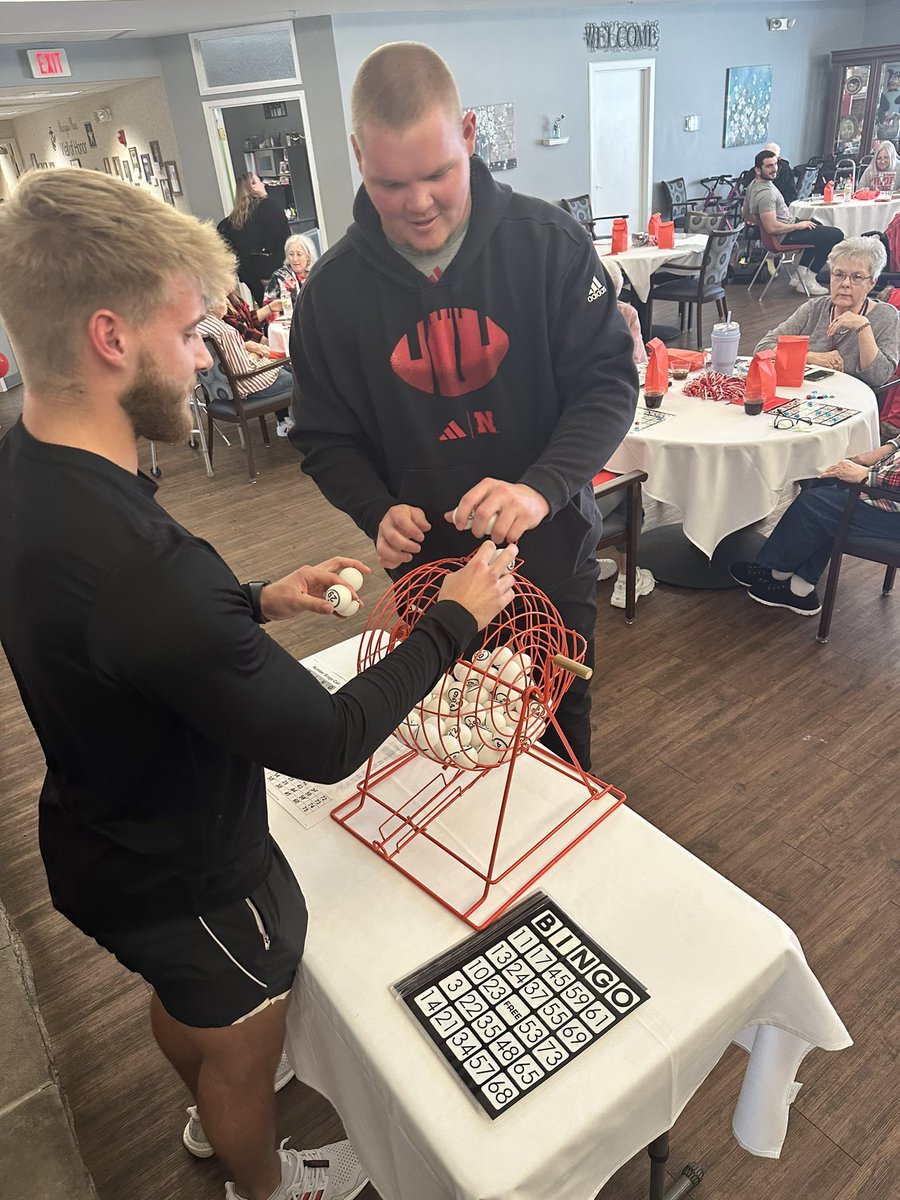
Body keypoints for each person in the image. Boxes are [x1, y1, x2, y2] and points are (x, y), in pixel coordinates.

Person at [0, 167, 518, 1200]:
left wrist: (259, 598)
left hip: (101, 836)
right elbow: (325, 742)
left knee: (194, 1006)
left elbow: (129, 636)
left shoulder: (27, 465)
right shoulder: (148, 572)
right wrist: (458, 616)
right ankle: (266, 1185)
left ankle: (211, 1122)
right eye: (189, 333)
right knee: (242, 1040)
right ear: (112, 338)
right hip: (190, 876)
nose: (201, 359)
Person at [290, 42, 638, 771]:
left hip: (550, 558)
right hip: (430, 582)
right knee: (452, 741)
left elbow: (607, 384)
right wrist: (373, 508)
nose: (418, 202)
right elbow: (325, 437)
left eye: (438, 173)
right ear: (357, 156)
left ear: (470, 137)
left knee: (560, 738)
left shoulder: (548, 243)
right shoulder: (330, 294)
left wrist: (538, 488)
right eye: (391, 183)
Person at [729, 438, 900, 616]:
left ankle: (789, 583)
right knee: (822, 481)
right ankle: (792, 577)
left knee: (813, 504)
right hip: (886, 487)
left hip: (891, 512)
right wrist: (875, 455)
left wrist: (866, 474)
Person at [753, 236, 899, 389]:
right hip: (805, 394)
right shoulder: (815, 308)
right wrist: (813, 357)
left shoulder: (887, 316)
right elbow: (764, 347)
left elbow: (878, 377)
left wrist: (863, 327)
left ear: (871, 283)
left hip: (853, 399)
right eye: (839, 274)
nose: (845, 284)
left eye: (856, 277)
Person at [593, 259, 655, 603]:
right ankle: (627, 576)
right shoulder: (618, 316)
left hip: (531, 484)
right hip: (567, 499)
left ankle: (587, 562)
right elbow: (635, 365)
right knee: (632, 480)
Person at [743, 148, 844, 296]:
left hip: (786, 228)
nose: (774, 169)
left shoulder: (753, 185)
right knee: (835, 235)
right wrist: (798, 225)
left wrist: (759, 220)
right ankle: (810, 278)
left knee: (818, 226)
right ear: (758, 170)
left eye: (775, 164)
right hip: (784, 236)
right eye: (769, 166)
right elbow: (772, 228)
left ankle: (800, 275)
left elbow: (745, 214)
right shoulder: (766, 194)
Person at [199, 296, 296, 436]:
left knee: (287, 367)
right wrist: (258, 354)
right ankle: (305, 426)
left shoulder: (199, 326)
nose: (226, 302)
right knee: (301, 376)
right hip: (247, 389)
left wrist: (248, 347)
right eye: (221, 299)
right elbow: (245, 370)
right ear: (211, 305)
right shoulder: (226, 331)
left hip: (220, 390)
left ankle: (286, 422)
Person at [217, 173, 291, 305]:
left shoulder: (234, 219)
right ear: (253, 186)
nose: (263, 184)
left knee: (265, 308)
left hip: (250, 273)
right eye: (259, 181)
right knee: (284, 307)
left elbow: (223, 236)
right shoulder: (269, 207)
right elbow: (283, 239)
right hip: (273, 269)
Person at [264, 233, 318, 307]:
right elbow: (268, 308)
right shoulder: (279, 276)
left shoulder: (316, 274)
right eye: (291, 254)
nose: (295, 259)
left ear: (308, 256)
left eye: (299, 254)